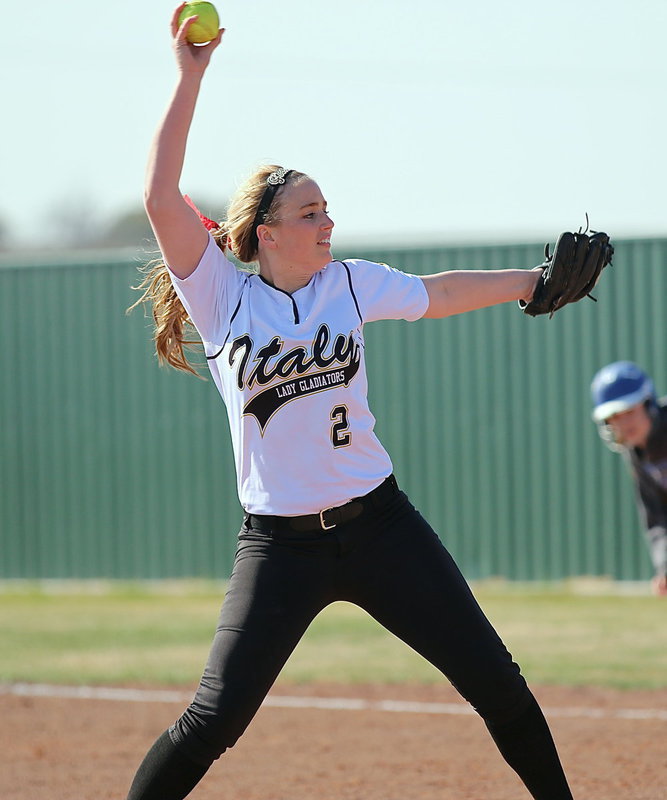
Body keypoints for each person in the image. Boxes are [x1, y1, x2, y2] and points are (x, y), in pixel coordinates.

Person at [125, 6, 576, 798]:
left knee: (497, 684)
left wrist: (530, 285)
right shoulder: (222, 296)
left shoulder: (347, 283)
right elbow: (161, 194)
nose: (327, 220)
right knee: (213, 719)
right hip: (278, 548)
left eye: (327, 208)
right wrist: (188, 78)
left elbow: (436, 294)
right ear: (265, 233)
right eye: (309, 212)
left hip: (382, 527)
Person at [590, 360, 667, 597]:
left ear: (648, 404)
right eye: (614, 416)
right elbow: (656, 518)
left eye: (629, 411)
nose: (624, 423)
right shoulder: (636, 454)